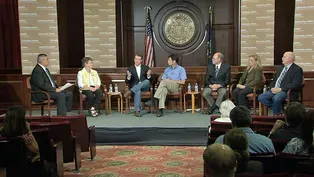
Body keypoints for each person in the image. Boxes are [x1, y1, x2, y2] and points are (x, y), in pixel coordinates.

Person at [0, 106, 44, 176]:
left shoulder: (2, 132)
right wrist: (28, 130)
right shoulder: (25, 136)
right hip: (26, 170)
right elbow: (36, 150)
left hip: (8, 170)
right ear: (21, 120)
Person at [258, 51, 303, 116]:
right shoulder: (280, 68)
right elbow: (274, 80)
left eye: (284, 57)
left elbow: (296, 84)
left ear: (290, 59)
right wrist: (272, 88)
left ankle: (276, 115)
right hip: (275, 90)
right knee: (261, 97)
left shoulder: (297, 69)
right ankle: (277, 111)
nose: (282, 58)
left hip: (286, 91)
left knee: (276, 98)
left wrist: (281, 89)